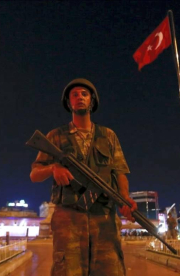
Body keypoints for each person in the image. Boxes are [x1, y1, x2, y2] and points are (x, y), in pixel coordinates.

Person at [30, 78, 137, 276]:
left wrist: (124, 199)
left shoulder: (108, 136)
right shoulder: (55, 136)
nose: (80, 97)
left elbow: (119, 172)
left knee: (110, 269)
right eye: (75, 94)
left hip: (104, 218)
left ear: (92, 101)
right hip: (68, 219)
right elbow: (35, 174)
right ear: (69, 103)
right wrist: (54, 167)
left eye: (84, 94)